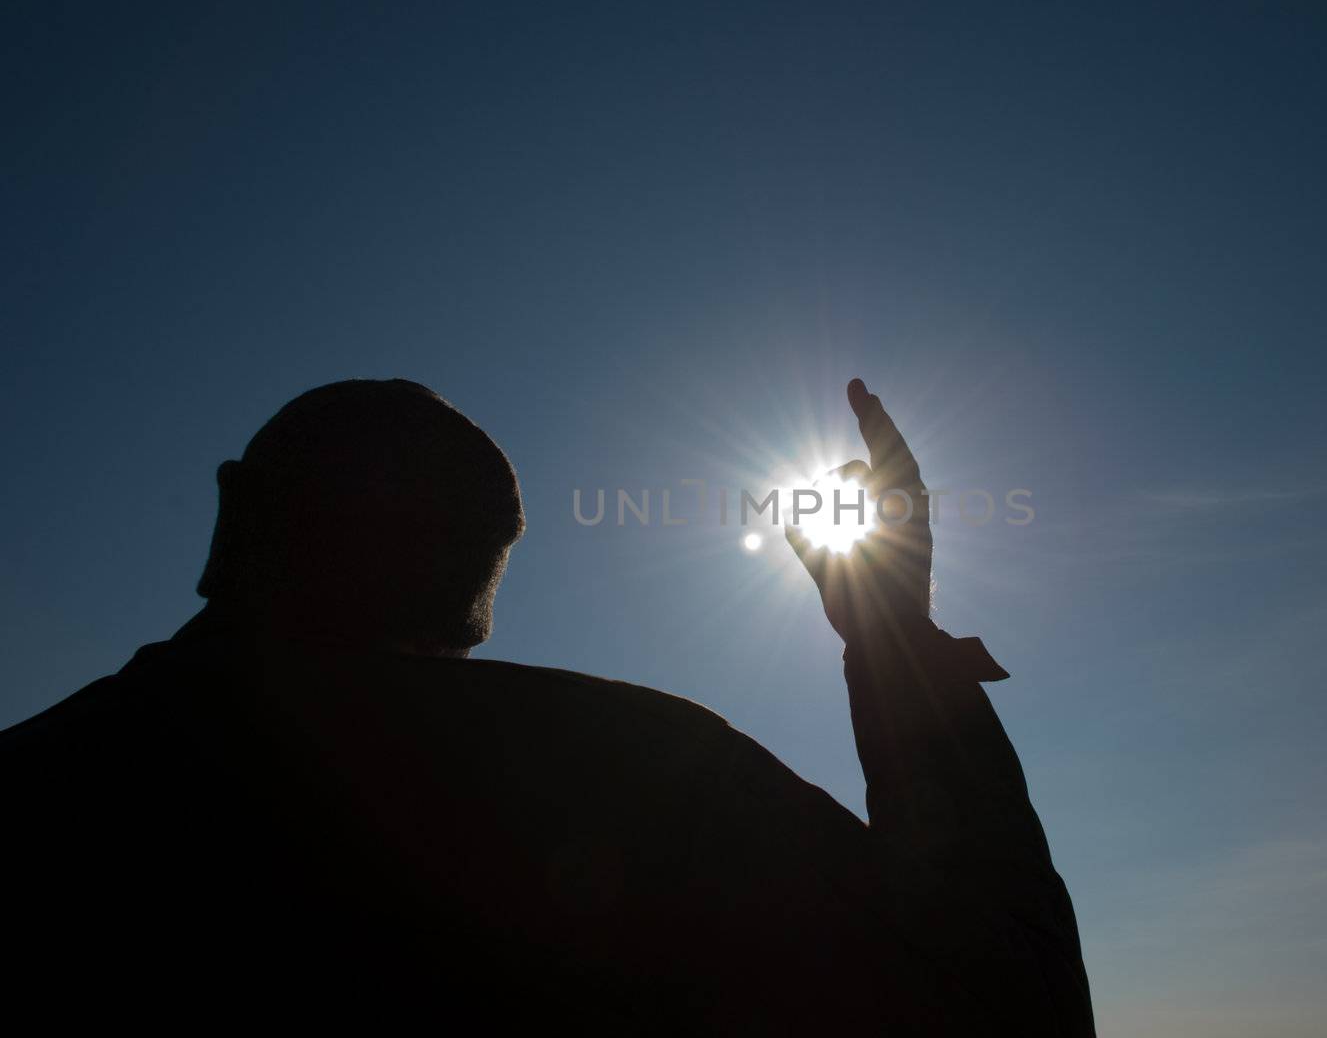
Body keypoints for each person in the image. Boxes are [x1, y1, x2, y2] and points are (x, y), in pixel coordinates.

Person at [1, 377, 1095, 1034]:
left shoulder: (42, 789)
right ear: (483, 586)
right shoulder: (642, 778)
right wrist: (894, 638)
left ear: (231, 512)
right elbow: (999, 1009)